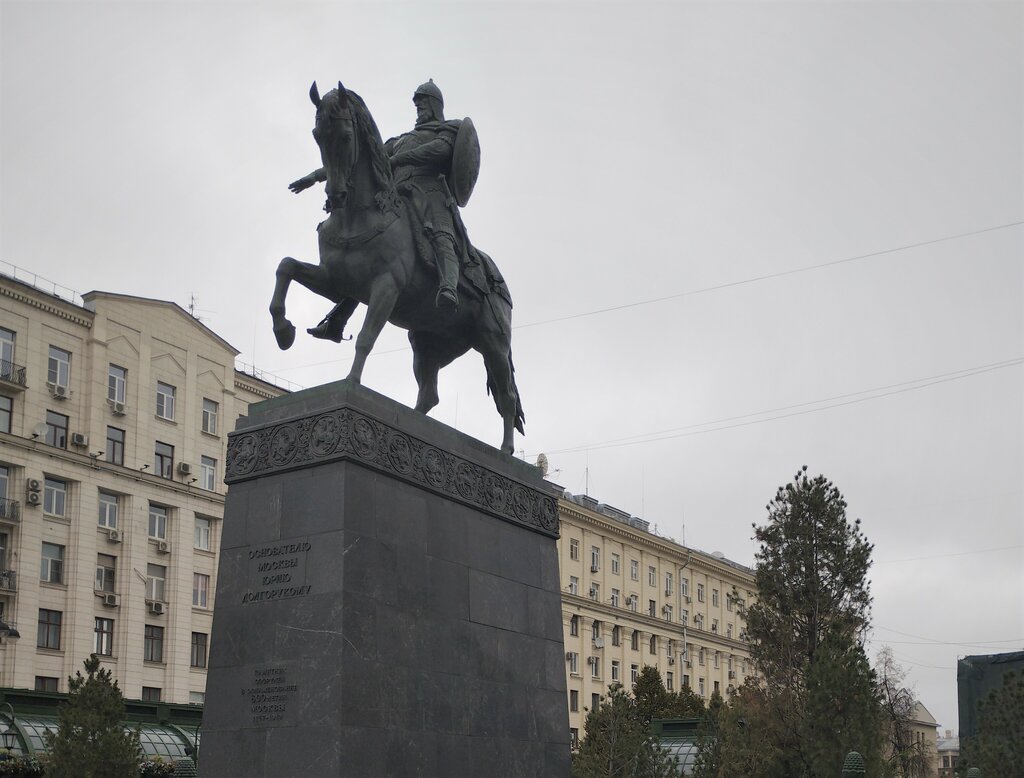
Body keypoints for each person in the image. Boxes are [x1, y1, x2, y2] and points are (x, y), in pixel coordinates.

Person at [290, 80, 475, 340]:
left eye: (423, 103)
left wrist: (400, 159)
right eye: (416, 104)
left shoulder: (447, 129)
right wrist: (314, 177)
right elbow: (355, 159)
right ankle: (337, 320)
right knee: (369, 251)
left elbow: (439, 151)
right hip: (396, 195)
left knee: (441, 234)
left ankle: (449, 287)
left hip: (430, 194)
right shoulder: (401, 140)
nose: (419, 108)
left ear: (434, 105)